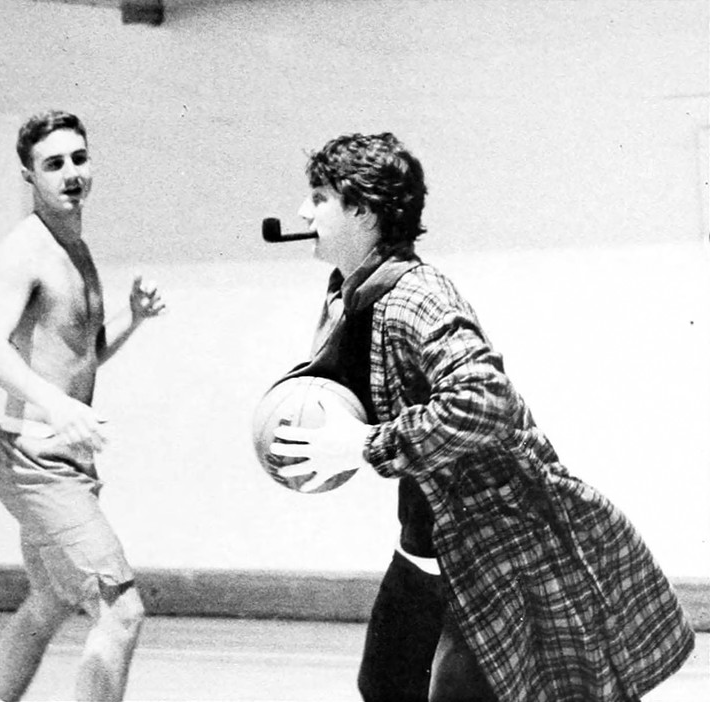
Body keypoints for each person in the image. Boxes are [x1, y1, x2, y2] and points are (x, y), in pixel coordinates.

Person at [270, 132, 695, 702]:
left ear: (363, 210)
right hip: (430, 541)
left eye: (319, 197)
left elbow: (484, 397)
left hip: (498, 544)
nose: (304, 211)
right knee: (385, 683)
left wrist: (364, 445)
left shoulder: (417, 298)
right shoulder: (354, 296)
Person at [0, 109, 166, 702]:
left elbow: (82, 355)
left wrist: (134, 318)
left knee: (50, 599)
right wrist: (57, 407)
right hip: (34, 460)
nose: (70, 173)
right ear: (29, 176)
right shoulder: (24, 249)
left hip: (63, 460)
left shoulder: (75, 247)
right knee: (121, 610)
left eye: (79, 158)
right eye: (53, 164)